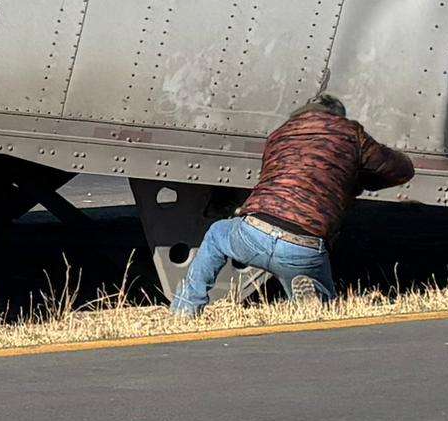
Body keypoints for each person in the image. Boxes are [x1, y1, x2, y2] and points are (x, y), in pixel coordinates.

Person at [170, 91, 413, 312]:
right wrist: (360, 181)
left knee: (217, 233)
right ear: (336, 116)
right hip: (304, 245)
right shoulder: (350, 133)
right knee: (326, 307)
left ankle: (187, 307)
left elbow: (271, 178)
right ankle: (313, 297)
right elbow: (401, 170)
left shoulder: (278, 135)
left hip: (255, 232)